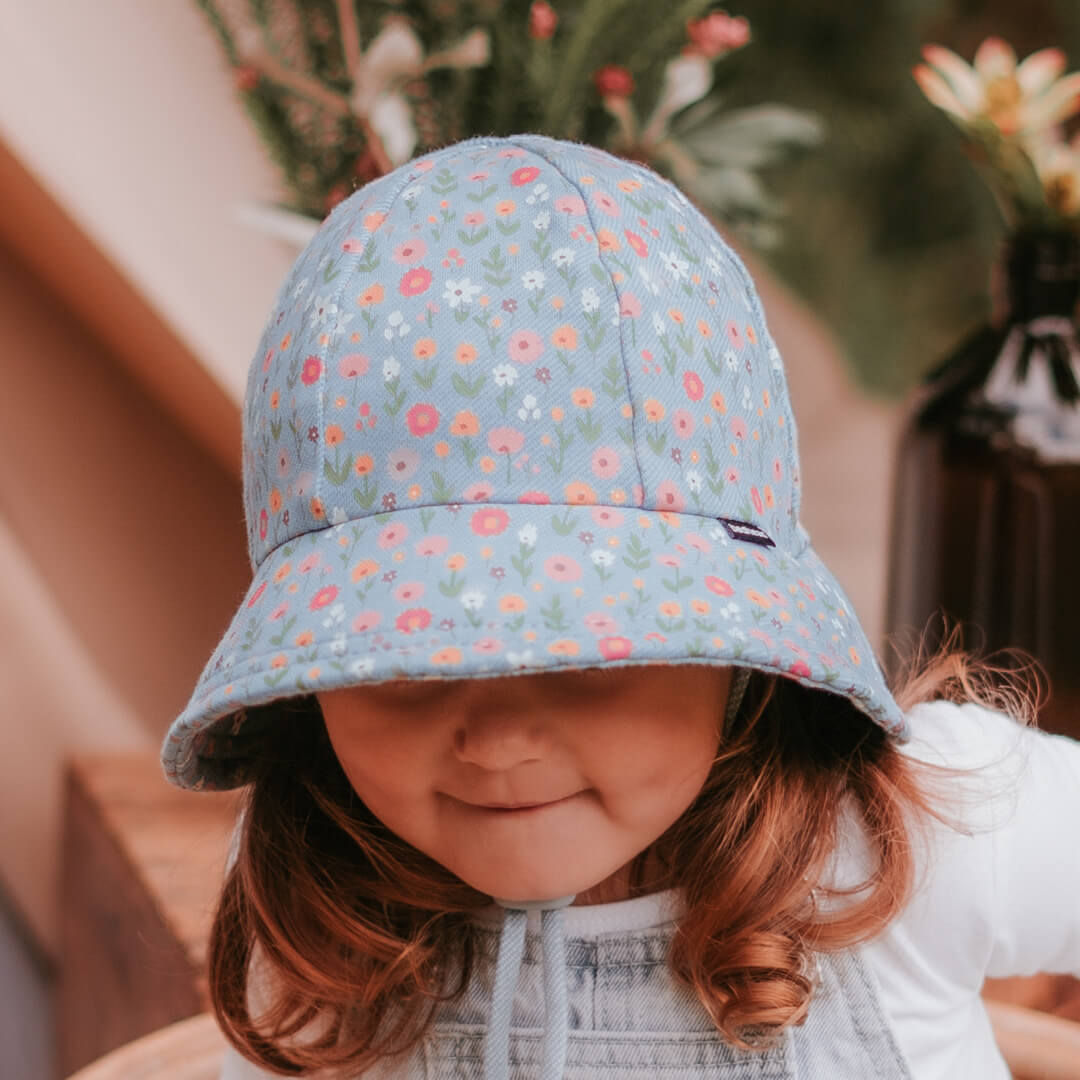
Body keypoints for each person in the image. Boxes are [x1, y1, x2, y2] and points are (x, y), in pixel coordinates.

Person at [160, 134, 1080, 1080]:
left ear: (739, 649)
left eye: (589, 651)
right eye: (407, 662)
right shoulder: (316, 906)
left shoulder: (921, 832)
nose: (499, 740)